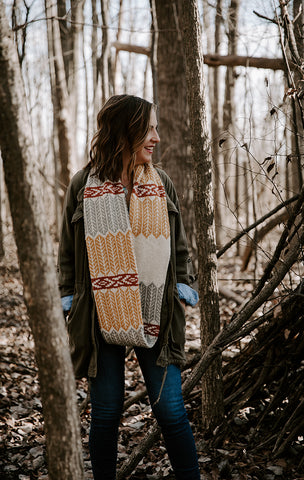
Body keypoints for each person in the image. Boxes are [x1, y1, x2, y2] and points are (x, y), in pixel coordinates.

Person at [58, 94, 201, 480]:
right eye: (149, 128)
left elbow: (180, 245)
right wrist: (67, 294)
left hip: (156, 308)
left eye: (155, 128)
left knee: (171, 410)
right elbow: (67, 252)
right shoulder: (83, 185)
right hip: (101, 313)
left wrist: (183, 282)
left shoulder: (161, 183)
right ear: (126, 132)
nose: (156, 137)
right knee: (106, 412)